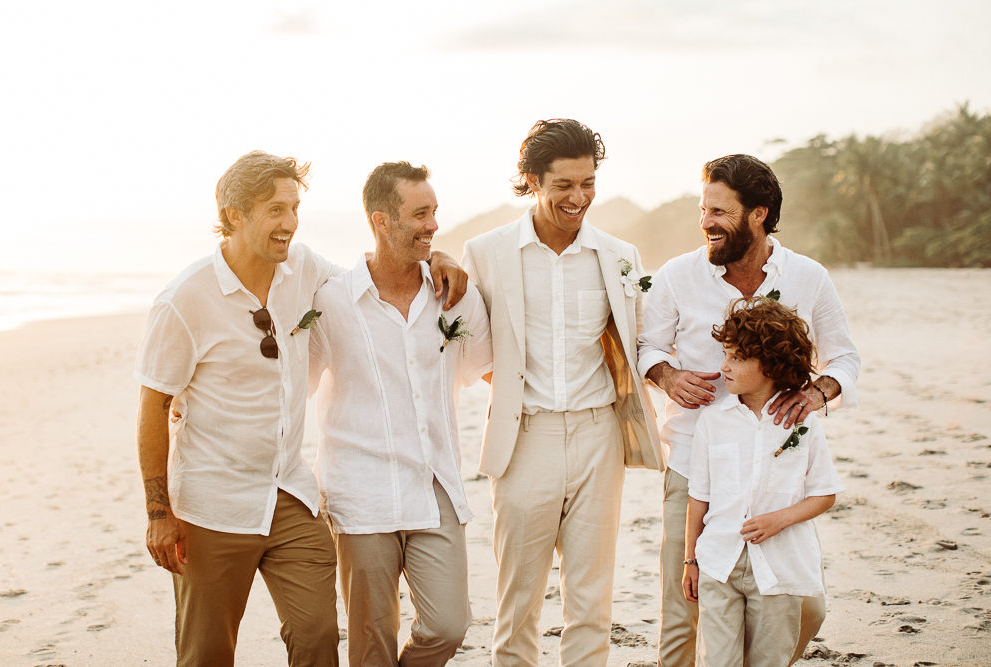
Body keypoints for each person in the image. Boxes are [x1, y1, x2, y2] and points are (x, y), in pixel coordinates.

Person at [134, 150, 467, 667]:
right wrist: (159, 513)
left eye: (294, 208)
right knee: (207, 653)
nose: (290, 224)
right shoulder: (184, 299)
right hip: (213, 505)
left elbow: (371, 279)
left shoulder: (304, 268)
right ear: (235, 215)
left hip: (289, 494)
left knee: (317, 636)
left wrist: (434, 256)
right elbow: (153, 405)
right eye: (275, 210)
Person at [637, 154, 861, 666]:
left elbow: (845, 357)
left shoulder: (808, 276)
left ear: (758, 214)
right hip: (694, 462)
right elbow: (645, 347)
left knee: (806, 606)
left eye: (720, 211)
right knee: (683, 611)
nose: (706, 222)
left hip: (776, 468)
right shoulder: (677, 276)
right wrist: (668, 376)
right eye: (703, 209)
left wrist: (816, 393)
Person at [462, 119, 662, 667]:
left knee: (592, 602)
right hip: (526, 437)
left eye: (588, 183)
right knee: (518, 603)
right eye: (564, 186)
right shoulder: (486, 252)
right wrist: (513, 397)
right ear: (531, 180)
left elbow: (640, 341)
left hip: (600, 436)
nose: (579, 198)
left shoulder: (620, 256)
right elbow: (468, 347)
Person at [307, 161, 493, 667]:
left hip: (435, 484)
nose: (433, 225)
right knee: (370, 640)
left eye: (434, 212)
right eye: (419, 214)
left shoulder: (454, 296)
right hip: (359, 490)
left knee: (448, 625)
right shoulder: (332, 301)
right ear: (380, 221)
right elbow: (292, 383)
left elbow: (492, 370)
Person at [683, 297, 844, 666]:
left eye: (737, 358)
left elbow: (825, 493)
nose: (724, 366)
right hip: (718, 562)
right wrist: (691, 560)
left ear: (771, 365)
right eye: (725, 354)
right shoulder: (713, 420)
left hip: (779, 569)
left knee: (768, 660)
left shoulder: (803, 424)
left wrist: (778, 520)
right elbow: (699, 497)